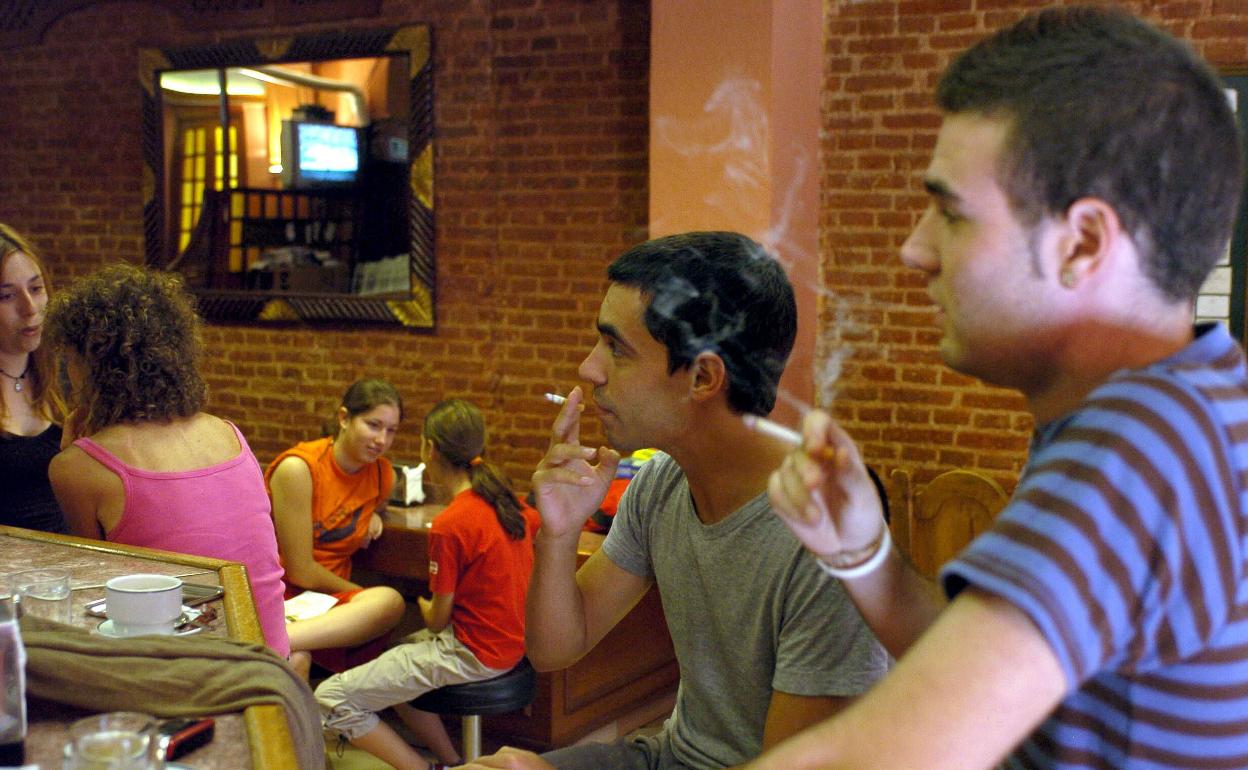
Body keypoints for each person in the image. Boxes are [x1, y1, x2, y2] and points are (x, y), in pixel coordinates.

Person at [746, 7, 1248, 769]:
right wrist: (863, 553)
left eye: (951, 213)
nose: (916, 250)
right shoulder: (1197, 397)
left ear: (1081, 242)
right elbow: (1002, 693)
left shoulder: (1140, 446)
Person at [474, 231, 889, 770]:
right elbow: (555, 649)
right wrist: (558, 533)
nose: (589, 368)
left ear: (703, 378)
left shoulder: (824, 536)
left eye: (615, 348)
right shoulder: (662, 482)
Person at [45, 264, 290, 657]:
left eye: (70, 359)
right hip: (270, 654)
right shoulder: (228, 432)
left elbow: (93, 582)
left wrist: (73, 453)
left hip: (189, 669)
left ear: (91, 366)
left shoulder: (80, 467)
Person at [314, 398, 541, 770]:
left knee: (331, 695)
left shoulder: (452, 523)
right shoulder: (513, 507)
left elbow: (437, 619)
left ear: (429, 448)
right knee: (391, 662)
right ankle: (451, 761)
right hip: (510, 644)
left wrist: (419, 605)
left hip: (473, 653)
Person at [266, 379, 407, 671]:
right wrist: (359, 594)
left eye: (391, 430)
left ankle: (282, 643)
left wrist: (377, 514)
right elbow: (300, 571)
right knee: (387, 602)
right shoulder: (299, 468)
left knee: (392, 608)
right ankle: (273, 639)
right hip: (286, 594)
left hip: (327, 602)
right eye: (373, 425)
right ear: (344, 418)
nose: (382, 439)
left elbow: (367, 502)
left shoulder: (382, 474)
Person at [0, 224, 69, 534]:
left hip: (64, 567)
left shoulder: (63, 373)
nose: (30, 309)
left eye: (36, 288)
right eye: (6, 296)